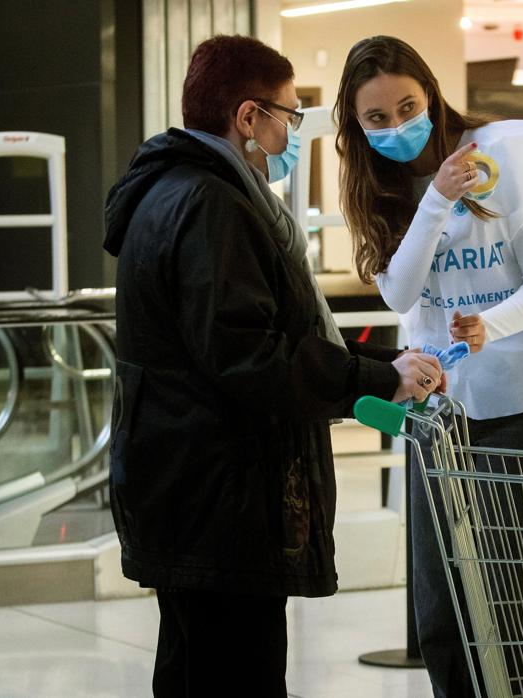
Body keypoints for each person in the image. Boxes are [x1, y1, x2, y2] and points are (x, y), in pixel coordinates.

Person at [103, 36, 443, 697]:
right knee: (236, 672)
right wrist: (379, 380)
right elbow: (250, 356)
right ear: (248, 117)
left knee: (196, 667)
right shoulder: (211, 204)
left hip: (190, 490)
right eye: (288, 112)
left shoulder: (175, 191)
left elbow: (267, 333)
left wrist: (390, 362)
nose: (291, 129)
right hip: (221, 499)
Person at [334, 36, 523, 698]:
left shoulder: (497, 156)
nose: (396, 127)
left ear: (432, 95)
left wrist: (488, 325)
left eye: (408, 107)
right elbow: (401, 293)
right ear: (356, 127)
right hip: (439, 406)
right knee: (441, 604)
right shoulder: (377, 186)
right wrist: (436, 197)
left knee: (514, 596)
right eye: (376, 118)